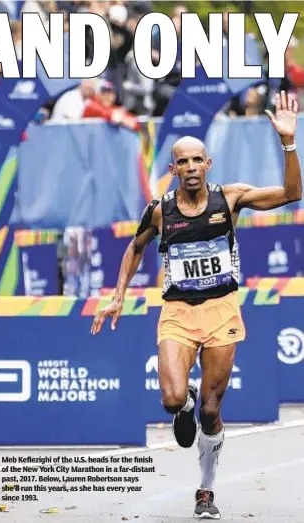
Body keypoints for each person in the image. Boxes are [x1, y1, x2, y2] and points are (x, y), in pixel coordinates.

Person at [91, 91, 301, 520]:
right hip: (178, 313)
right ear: (173, 169)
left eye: (197, 160)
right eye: (182, 162)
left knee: (211, 411)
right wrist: (117, 296)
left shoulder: (232, 198)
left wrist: (288, 143)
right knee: (172, 400)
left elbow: (292, 193)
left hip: (222, 310)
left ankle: (205, 490)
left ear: (208, 165)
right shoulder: (160, 212)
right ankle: (182, 403)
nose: (190, 168)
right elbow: (134, 249)